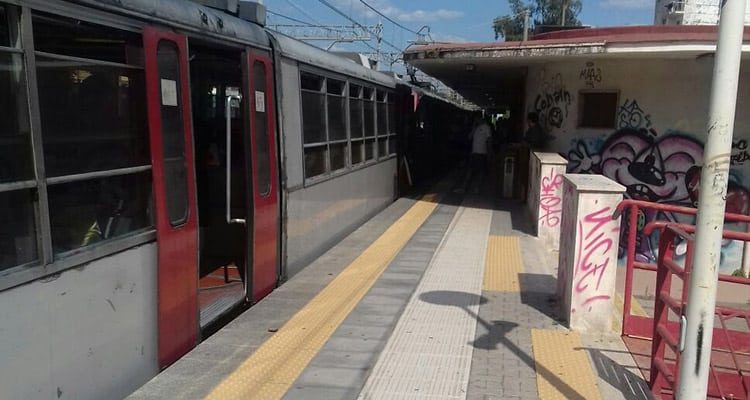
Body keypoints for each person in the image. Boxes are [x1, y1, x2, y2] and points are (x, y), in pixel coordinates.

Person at [465, 116, 492, 193]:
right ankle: (467, 187)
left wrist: (489, 152)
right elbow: (469, 137)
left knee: (481, 171)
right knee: (471, 169)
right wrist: (473, 127)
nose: (476, 120)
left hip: (482, 152)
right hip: (474, 152)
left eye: (477, 119)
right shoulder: (476, 128)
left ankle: (477, 187)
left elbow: (489, 140)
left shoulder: (486, 127)